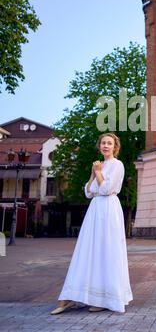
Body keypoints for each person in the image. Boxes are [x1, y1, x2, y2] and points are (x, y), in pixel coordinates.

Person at [50, 133, 133, 315]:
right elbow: (88, 191)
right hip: (95, 209)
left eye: (109, 143)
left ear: (114, 147)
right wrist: (93, 173)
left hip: (109, 209)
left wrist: (98, 173)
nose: (105, 146)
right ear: (99, 146)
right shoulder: (99, 165)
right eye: (103, 143)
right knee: (88, 249)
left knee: (107, 250)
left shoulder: (117, 165)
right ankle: (75, 295)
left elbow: (106, 189)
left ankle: (106, 298)